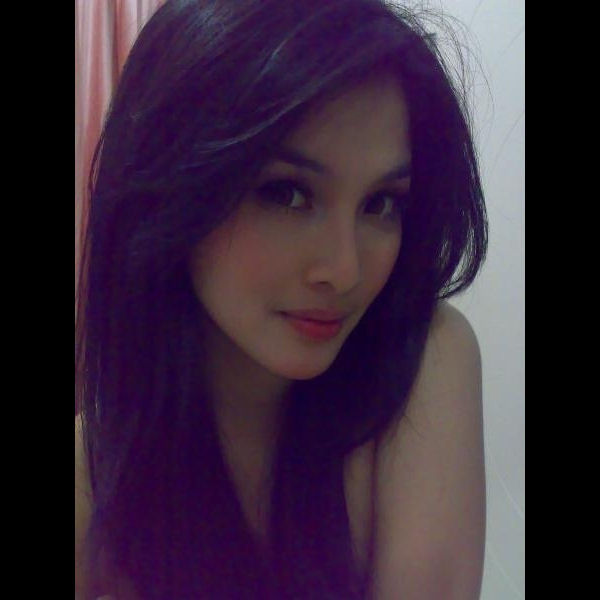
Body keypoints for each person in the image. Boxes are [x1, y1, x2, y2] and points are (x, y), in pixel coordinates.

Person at [75, 0, 488, 598]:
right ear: (170, 187)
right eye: (287, 194)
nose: (344, 270)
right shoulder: (95, 481)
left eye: (380, 204)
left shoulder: (423, 362)